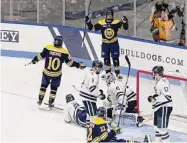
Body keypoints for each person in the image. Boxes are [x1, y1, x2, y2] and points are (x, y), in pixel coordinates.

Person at [31, 36, 86, 108]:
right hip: (56, 75)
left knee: (43, 86)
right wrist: (79, 65)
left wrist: (34, 60)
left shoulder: (48, 48)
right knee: (54, 88)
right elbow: (70, 63)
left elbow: (40, 56)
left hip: (46, 72)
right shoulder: (64, 52)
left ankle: (40, 100)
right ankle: (51, 102)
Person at [85, 10, 128, 79]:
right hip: (105, 44)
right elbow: (92, 28)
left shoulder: (116, 22)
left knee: (115, 59)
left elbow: (125, 28)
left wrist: (125, 21)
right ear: (106, 16)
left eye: (110, 15)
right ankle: (108, 73)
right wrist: (88, 22)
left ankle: (117, 74)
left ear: (112, 16)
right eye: (108, 15)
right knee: (106, 59)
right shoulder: (101, 22)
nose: (109, 17)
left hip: (114, 43)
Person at [87, 107, 152, 143]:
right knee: (120, 141)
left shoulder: (94, 120)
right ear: (104, 114)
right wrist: (114, 132)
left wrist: (114, 126)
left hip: (92, 141)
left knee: (119, 140)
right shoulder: (101, 123)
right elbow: (104, 136)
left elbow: (106, 124)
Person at [148, 66, 173, 142]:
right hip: (158, 107)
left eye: (154, 73)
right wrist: (152, 98)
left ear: (158, 74)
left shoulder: (163, 82)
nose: (153, 75)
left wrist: (155, 99)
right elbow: (158, 95)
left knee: (162, 130)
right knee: (156, 128)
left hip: (164, 107)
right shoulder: (158, 82)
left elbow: (168, 97)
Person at [79, 60, 105, 124]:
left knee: (90, 112)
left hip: (87, 96)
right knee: (93, 114)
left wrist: (98, 92)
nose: (100, 69)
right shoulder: (94, 76)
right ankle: (91, 126)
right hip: (88, 98)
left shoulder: (90, 72)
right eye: (100, 68)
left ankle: (88, 122)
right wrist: (99, 95)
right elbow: (92, 88)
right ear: (96, 67)